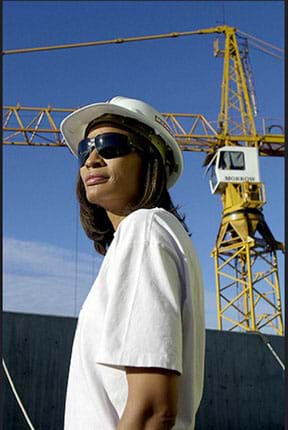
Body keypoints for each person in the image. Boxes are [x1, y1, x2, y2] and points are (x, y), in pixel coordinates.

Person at [60, 96, 205, 430]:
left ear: (150, 159)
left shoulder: (144, 228)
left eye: (110, 146)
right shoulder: (148, 236)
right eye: (86, 150)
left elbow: (153, 410)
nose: (92, 160)